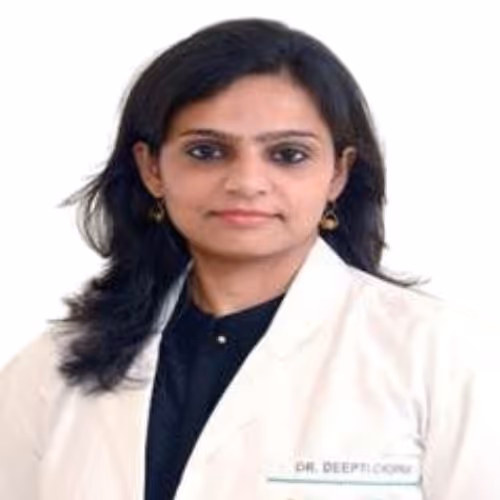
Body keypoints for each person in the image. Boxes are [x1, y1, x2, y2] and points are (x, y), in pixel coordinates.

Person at [0, 18, 499, 500]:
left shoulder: (447, 356)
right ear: (152, 169)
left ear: (337, 174)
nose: (246, 182)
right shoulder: (52, 368)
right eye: (205, 151)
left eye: (288, 155)